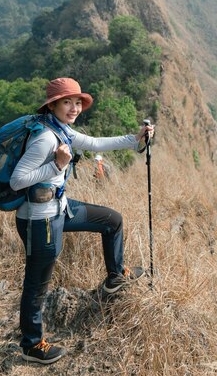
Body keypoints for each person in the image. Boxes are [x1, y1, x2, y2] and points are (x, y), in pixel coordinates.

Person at [9, 77, 154, 365]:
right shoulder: (46, 138)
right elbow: (17, 181)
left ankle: (116, 276)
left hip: (60, 209)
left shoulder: (61, 130)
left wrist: (135, 138)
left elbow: (96, 142)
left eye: (77, 102)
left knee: (112, 220)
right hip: (40, 222)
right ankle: (32, 345)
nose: (74, 107)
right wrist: (57, 165)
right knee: (37, 284)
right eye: (67, 101)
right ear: (53, 105)